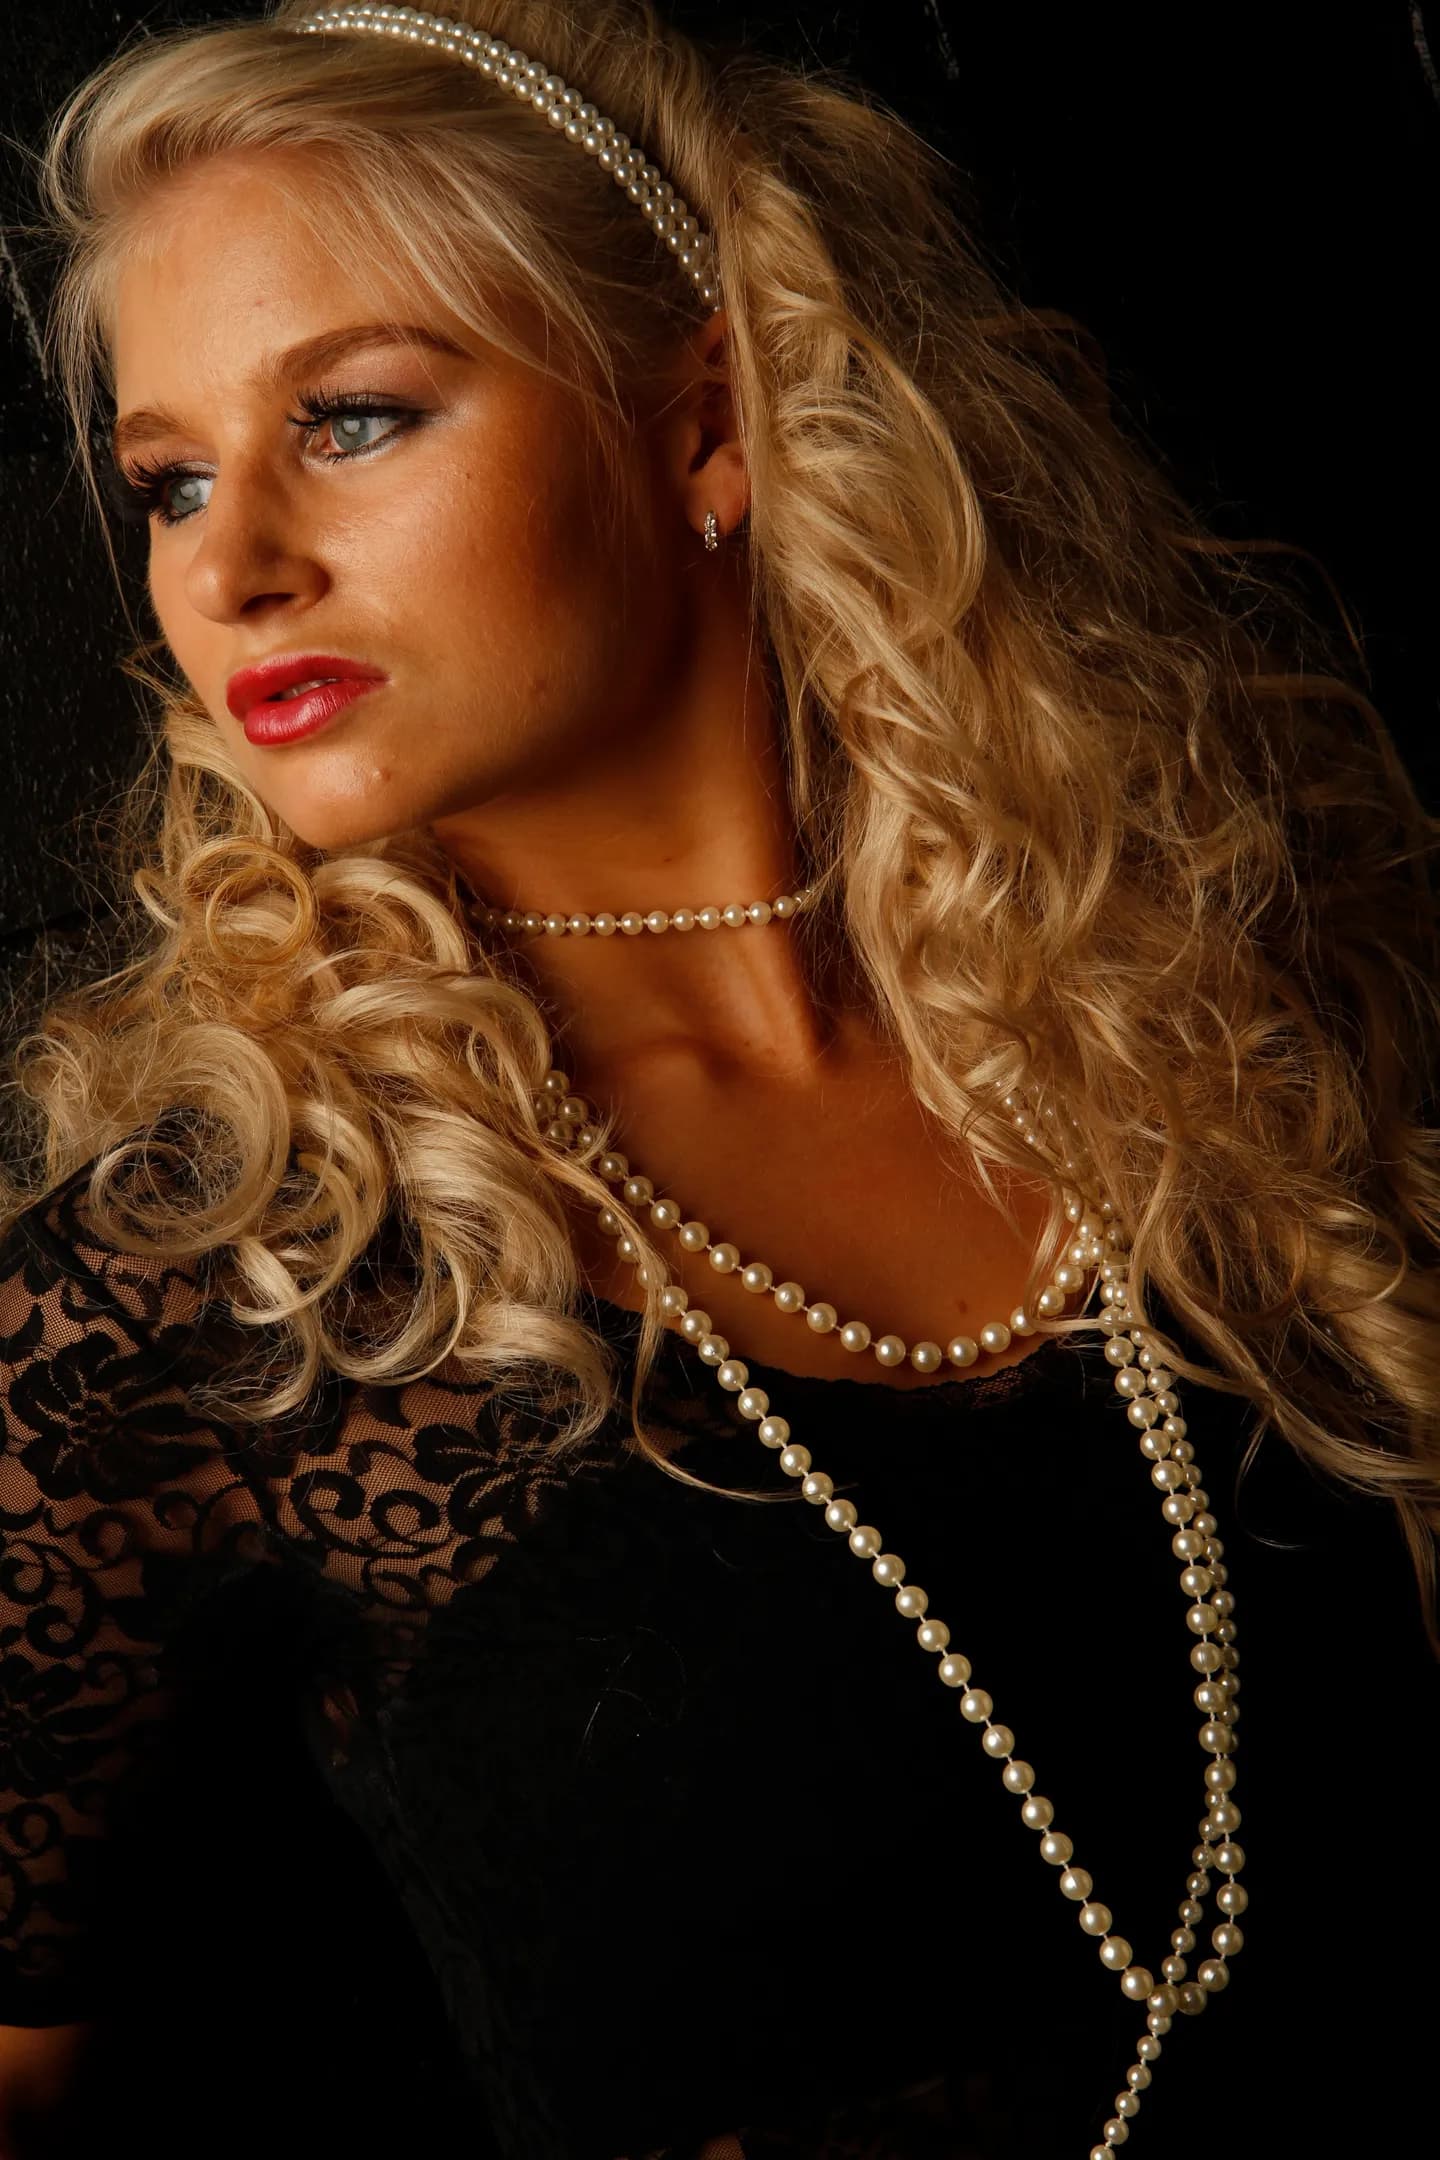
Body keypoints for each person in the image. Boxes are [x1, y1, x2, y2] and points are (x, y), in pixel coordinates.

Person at [1, 4, 1437, 2155]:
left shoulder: (1226, 1017)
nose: (228, 567)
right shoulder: (211, 1280)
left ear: (704, 426)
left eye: (360, 420)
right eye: (175, 480)